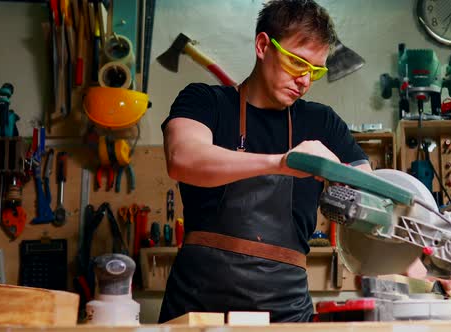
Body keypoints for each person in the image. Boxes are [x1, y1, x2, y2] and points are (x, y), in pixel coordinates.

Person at [159, 0, 371, 323]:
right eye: (298, 63)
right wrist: (281, 163)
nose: (305, 81)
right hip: (198, 310)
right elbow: (182, 157)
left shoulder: (322, 123)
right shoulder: (206, 102)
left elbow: (371, 193)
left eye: (315, 71)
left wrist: (417, 261)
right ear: (262, 46)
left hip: (286, 314)